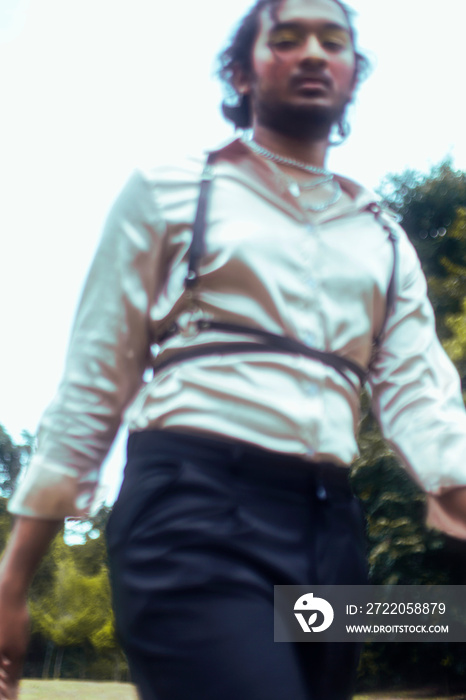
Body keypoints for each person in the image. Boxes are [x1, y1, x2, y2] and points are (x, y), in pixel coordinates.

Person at [1, 0, 466, 698]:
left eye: (332, 40)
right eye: (286, 38)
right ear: (242, 73)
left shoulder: (382, 236)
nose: (312, 52)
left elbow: (420, 394)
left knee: (397, 643)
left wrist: (452, 480)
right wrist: (14, 579)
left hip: (331, 532)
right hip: (194, 511)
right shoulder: (170, 191)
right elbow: (96, 380)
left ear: (351, 73)